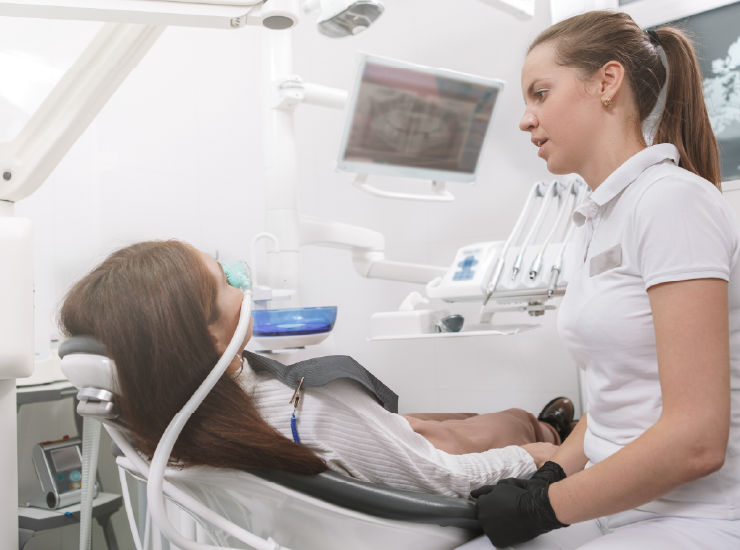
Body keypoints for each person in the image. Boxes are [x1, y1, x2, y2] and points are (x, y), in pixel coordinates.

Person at [469, 9, 740, 549]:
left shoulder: (671, 203)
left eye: (540, 93)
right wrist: (550, 475)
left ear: (607, 82)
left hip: (699, 518)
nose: (525, 120)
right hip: (617, 506)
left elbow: (696, 441)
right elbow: (621, 400)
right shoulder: (595, 220)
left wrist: (541, 509)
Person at [59, 239, 571, 498]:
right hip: (396, 473)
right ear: (207, 339)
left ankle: (518, 424)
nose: (242, 282)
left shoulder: (159, 421)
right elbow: (444, 480)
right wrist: (538, 459)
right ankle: (546, 426)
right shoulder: (313, 406)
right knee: (500, 426)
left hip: (333, 443)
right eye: (225, 282)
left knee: (437, 421)